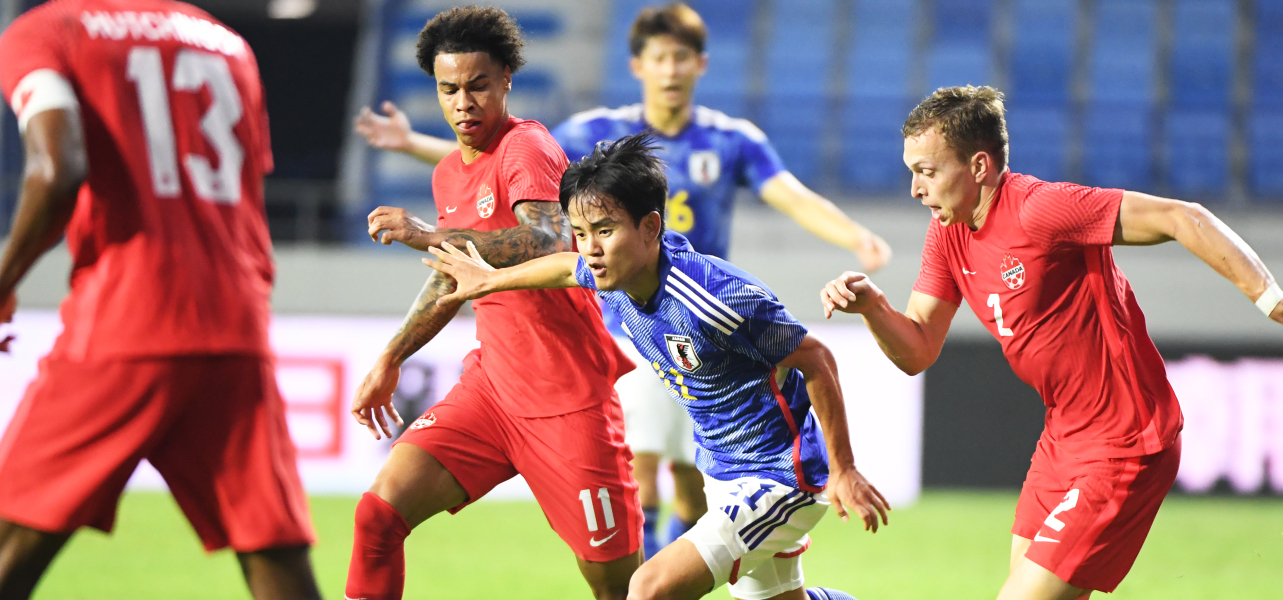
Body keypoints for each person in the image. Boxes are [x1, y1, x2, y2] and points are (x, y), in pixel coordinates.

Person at [354, 2, 892, 558]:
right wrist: (413, 145)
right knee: (647, 459)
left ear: (701, 64)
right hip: (628, 316)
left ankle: (674, 563)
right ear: (638, 66)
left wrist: (854, 235)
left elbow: (792, 196)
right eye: (660, 58)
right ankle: (661, 567)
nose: (670, 70)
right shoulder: (596, 132)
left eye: (681, 57)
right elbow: (498, 159)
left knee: (692, 477)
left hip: (707, 319)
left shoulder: (731, 139)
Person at [820, 86, 1283, 600]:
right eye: (912, 173)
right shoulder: (948, 233)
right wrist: (873, 307)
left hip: (1126, 442)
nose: (916, 190)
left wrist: (1274, 302)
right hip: (1063, 440)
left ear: (978, 166)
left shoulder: (1041, 210)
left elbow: (1181, 216)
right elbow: (917, 349)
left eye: (927, 172)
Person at [422, 132, 888, 600]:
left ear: (650, 227)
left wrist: (844, 469)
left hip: (779, 476)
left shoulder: (714, 297)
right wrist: (491, 280)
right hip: (724, 471)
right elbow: (565, 267)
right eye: (580, 232)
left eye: (605, 230)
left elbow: (816, 358)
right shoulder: (616, 273)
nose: (590, 248)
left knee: (648, 588)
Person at [0, 1, 322, 598]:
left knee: (10, 538)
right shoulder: (225, 42)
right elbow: (243, 191)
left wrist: (4, 277)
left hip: (126, 318)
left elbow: (56, 170)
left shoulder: (48, 31)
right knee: (273, 552)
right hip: (235, 323)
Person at [346, 7, 641, 600]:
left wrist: (428, 235)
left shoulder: (524, 147)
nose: (463, 103)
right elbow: (451, 278)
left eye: (478, 85)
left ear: (507, 78)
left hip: (567, 399)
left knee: (619, 587)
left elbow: (551, 239)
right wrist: (391, 358)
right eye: (448, 89)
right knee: (378, 515)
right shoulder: (449, 173)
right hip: (491, 392)